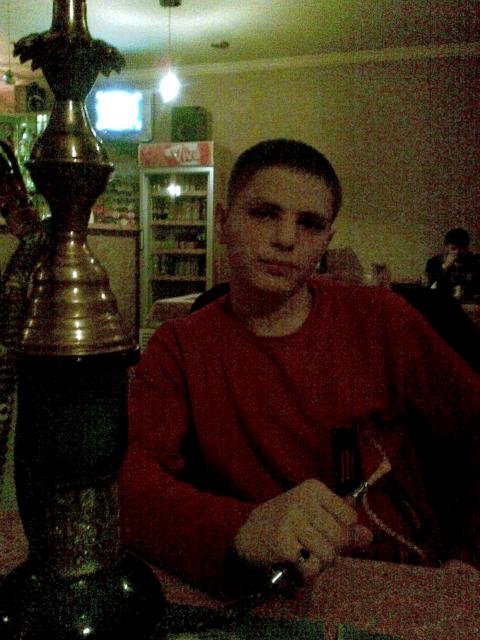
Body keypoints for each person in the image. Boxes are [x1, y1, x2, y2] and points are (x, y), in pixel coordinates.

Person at [120, 139, 480, 597]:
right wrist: (239, 527)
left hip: (401, 573)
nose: (286, 239)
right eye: (264, 213)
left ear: (326, 240)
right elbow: (127, 485)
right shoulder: (179, 346)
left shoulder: (383, 320)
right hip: (262, 582)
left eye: (309, 224)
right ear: (223, 222)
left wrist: (470, 555)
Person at [425, 227, 480, 302]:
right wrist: (444, 267)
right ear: (447, 247)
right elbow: (430, 286)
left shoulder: (476, 262)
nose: (457, 252)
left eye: (462, 248)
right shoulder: (434, 263)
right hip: (443, 302)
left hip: (469, 303)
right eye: (453, 248)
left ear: (467, 247)